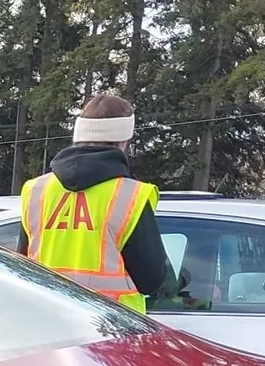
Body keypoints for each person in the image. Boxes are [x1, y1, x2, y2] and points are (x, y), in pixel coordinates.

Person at [18, 93, 173, 312]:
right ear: (124, 140)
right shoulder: (130, 196)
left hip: (47, 319)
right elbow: (151, 280)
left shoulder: (36, 190)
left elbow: (21, 267)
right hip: (110, 323)